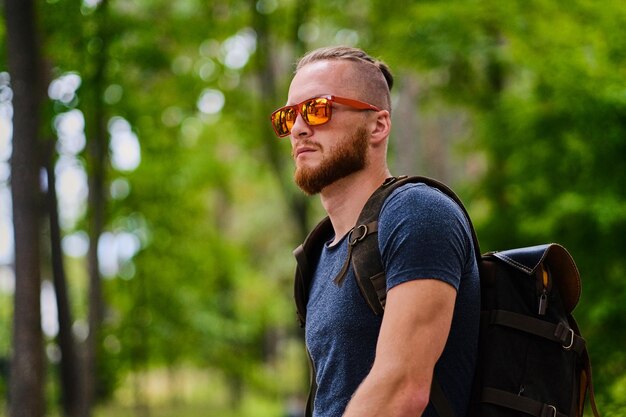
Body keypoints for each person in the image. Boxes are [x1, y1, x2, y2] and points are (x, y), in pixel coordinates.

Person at [270, 46, 480, 417]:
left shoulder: (416, 212)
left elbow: (403, 389)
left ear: (378, 125)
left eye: (318, 109)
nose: (299, 128)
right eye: (288, 116)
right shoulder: (321, 252)